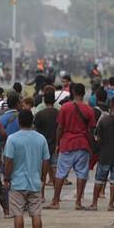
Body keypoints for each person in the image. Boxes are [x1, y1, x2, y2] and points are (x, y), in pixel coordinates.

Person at [3, 109, 50, 228]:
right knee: (36, 214)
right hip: (35, 182)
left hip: (17, 182)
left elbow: (9, 160)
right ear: (32, 121)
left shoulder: (12, 139)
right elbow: (46, 160)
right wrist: (42, 178)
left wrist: (7, 178)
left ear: (19, 122)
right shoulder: (41, 138)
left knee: (18, 214)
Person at [45, 83, 96, 211]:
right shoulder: (88, 110)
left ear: (73, 92)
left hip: (67, 143)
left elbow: (60, 127)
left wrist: (57, 143)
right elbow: (91, 130)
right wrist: (92, 146)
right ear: (84, 93)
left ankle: (55, 201)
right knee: (81, 173)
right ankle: (78, 202)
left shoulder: (65, 108)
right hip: (82, 144)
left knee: (61, 173)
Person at [34, 89, 59, 199]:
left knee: (42, 172)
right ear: (54, 101)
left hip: (42, 146)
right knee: (55, 170)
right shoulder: (59, 113)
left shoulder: (39, 114)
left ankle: (42, 195)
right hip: (55, 145)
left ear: (44, 100)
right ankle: (56, 196)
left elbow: (36, 130)